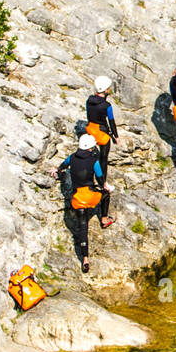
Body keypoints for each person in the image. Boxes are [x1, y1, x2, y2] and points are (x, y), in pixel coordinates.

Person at [58, 134, 113, 273]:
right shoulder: (94, 160)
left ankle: (85, 259)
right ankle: (104, 218)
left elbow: (63, 165)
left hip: (77, 198)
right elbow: (100, 178)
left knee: (83, 228)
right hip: (90, 196)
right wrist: (105, 185)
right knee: (106, 194)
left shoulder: (72, 157)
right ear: (90, 147)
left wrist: (56, 170)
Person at [84, 75, 119, 176]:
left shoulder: (89, 100)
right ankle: (103, 180)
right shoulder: (107, 106)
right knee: (103, 157)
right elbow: (111, 122)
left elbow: (89, 115)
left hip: (90, 129)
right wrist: (116, 136)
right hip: (101, 132)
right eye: (108, 88)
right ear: (105, 90)